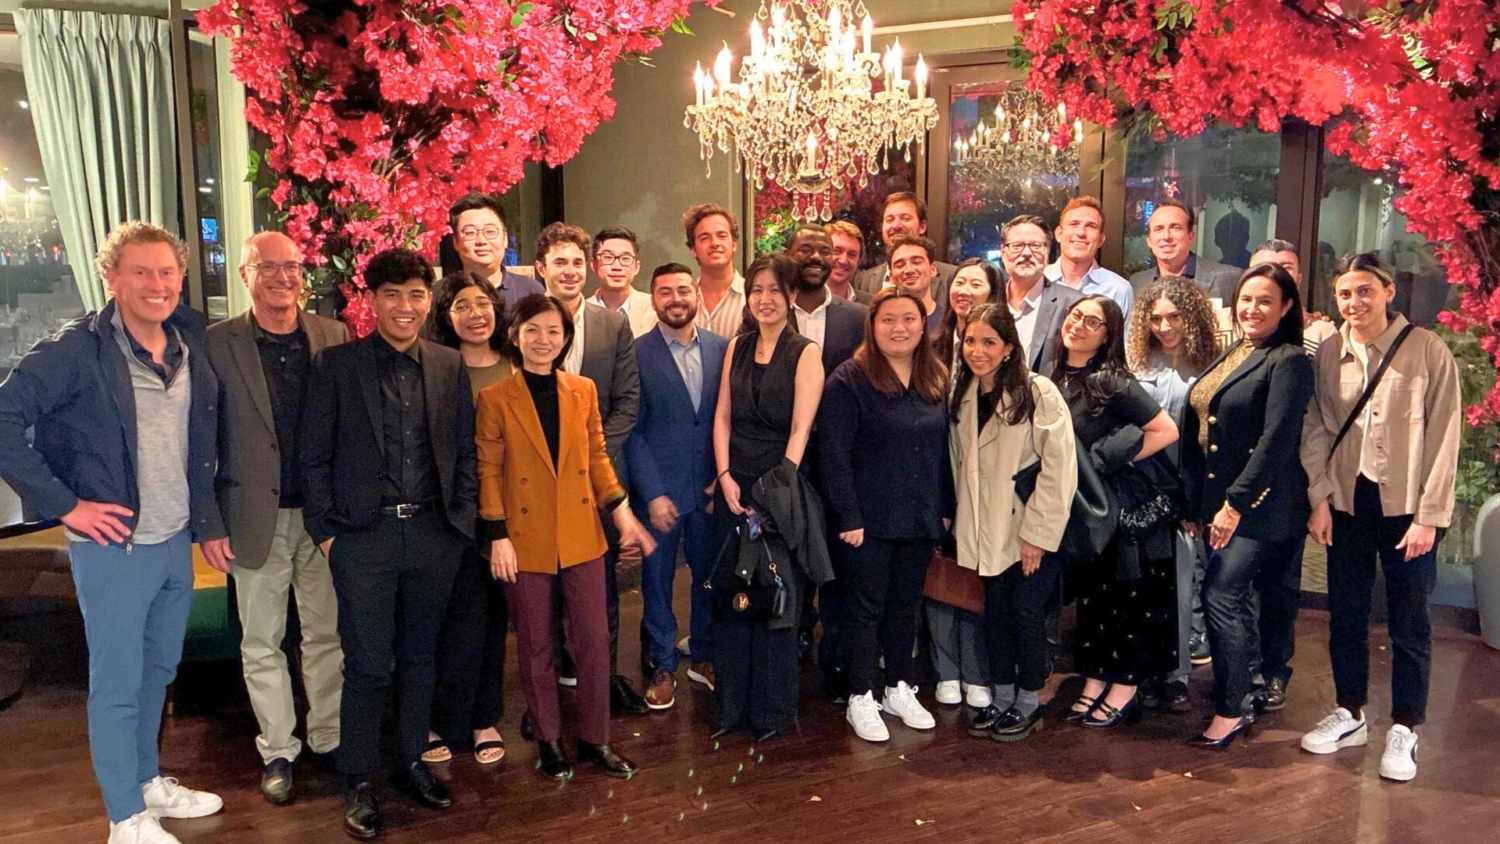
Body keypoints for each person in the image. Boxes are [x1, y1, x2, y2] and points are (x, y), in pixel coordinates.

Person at [0, 222, 226, 844]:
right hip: (113, 548)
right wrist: (65, 506)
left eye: (167, 272)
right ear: (111, 277)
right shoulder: (75, 350)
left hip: (173, 540)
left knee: (158, 670)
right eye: (140, 271)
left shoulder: (191, 338)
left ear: (181, 276)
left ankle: (147, 781)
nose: (157, 284)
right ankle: (124, 817)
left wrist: (206, 522)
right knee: (118, 684)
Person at [301, 248, 477, 839]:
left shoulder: (449, 364)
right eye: (393, 294)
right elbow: (313, 457)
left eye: (416, 295)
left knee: (421, 658)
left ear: (429, 302)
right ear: (371, 300)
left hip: (433, 535)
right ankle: (359, 779)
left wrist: (459, 526)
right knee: (368, 664)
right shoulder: (336, 365)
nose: (406, 306)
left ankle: (409, 761)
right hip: (362, 538)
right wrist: (327, 535)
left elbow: (466, 452)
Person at [476, 293, 657, 780]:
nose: (543, 340)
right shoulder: (494, 398)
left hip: (581, 534)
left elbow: (597, 457)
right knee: (536, 645)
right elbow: (488, 471)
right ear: (514, 336)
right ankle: (549, 740)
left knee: (594, 641)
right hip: (525, 537)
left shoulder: (583, 390)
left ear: (565, 338)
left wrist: (623, 515)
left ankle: (597, 738)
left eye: (553, 331)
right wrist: (497, 535)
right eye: (533, 330)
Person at [1299, 253, 1461, 781]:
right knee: (1345, 613)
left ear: (1389, 291)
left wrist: (1429, 516)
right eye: (1345, 293)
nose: (1355, 302)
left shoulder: (1427, 349)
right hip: (1347, 501)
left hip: (1408, 507)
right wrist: (1319, 497)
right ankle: (1350, 711)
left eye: (1365, 290)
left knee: (1409, 619)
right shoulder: (1329, 351)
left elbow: (1445, 436)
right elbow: (1317, 426)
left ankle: (1406, 725)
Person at [205, 231, 347, 806]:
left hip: (323, 516)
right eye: (267, 266)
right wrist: (209, 521)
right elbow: (201, 439)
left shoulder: (334, 334)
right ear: (245, 275)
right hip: (251, 515)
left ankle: (329, 737)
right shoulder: (217, 343)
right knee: (262, 639)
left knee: (326, 633)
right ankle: (278, 750)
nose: (282, 276)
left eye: (292, 265)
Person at [1180, 263, 1314, 749]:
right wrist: (1196, 505)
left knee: (1221, 595)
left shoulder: (1289, 360)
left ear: (1286, 307)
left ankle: (1232, 708)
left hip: (1262, 507)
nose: (1252, 308)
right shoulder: (1238, 350)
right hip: (1219, 504)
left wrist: (1234, 504)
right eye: (1246, 299)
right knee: (1230, 599)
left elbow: (1277, 440)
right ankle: (1245, 685)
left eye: (1265, 300)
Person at [818, 289, 952, 742]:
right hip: (866, 521)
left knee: (905, 608)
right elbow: (833, 455)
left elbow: (945, 453)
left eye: (908, 319)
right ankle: (861, 695)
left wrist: (944, 511)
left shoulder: (936, 377)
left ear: (923, 324)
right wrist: (848, 517)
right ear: (872, 326)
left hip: (920, 517)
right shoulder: (849, 378)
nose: (899, 328)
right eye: (888, 319)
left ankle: (899, 686)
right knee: (864, 610)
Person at [711, 253, 828, 741]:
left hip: (778, 489)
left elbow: (802, 428)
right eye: (757, 289)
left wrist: (773, 488)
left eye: (775, 290)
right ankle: (731, 708)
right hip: (733, 487)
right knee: (734, 599)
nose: (765, 299)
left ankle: (772, 711)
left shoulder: (806, 352)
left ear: (791, 295)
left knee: (776, 600)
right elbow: (722, 417)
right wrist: (724, 475)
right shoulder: (736, 347)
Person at [1050, 295, 1180, 730]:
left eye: (1093, 322)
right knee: (1094, 599)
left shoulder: (1112, 380)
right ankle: (1094, 679)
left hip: (1123, 508)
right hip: (1084, 509)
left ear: (1108, 335)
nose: (1079, 325)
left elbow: (1166, 429)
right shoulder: (1055, 375)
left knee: (1128, 601)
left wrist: (1111, 460)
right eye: (1075, 315)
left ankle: (1125, 686)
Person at [533, 222, 647, 715]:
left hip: (596, 481)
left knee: (602, 587)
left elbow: (627, 403)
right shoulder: (523, 321)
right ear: (541, 268)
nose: (570, 271)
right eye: (560, 262)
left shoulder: (612, 325)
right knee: (545, 592)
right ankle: (553, 689)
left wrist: (583, 459)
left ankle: (604, 678)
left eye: (578, 262)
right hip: (537, 484)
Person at [951, 303, 1078, 741]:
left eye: (989, 342)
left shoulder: (1037, 391)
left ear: (1008, 347)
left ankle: (1029, 700)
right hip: (985, 529)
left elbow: (1059, 468)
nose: (978, 351)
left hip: (1028, 530)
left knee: (1026, 615)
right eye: (971, 341)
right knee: (997, 615)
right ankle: (1002, 695)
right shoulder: (964, 392)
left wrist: (1037, 536)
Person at [420, 271, 513, 767]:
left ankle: (483, 717)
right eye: (462, 305)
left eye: (483, 303)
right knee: (442, 620)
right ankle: (434, 719)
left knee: (491, 620)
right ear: (445, 315)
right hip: (446, 513)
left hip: (506, 513)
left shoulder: (516, 364)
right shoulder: (436, 365)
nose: (476, 314)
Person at [627, 264, 729, 708]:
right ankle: (663, 663)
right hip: (659, 494)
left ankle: (703, 656)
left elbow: (727, 421)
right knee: (657, 582)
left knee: (708, 578)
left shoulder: (722, 349)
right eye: (664, 291)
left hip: (709, 491)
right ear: (652, 299)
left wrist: (720, 481)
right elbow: (631, 431)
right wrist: (651, 493)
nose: (675, 298)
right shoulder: (635, 353)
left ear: (696, 295)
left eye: (683, 289)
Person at [1124, 276, 1222, 712]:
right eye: (1156, 318)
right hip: (1140, 488)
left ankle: (1177, 675)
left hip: (1186, 492)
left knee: (1182, 586)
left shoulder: (1211, 366)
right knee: (1142, 586)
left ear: (1193, 317)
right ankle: (1144, 672)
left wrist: (1194, 503)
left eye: (1174, 317)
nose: (1164, 326)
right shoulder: (1137, 363)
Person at [1003, 214, 1084, 375]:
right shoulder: (988, 301)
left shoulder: (1073, 304)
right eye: (1017, 245)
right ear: (1003, 251)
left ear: (1047, 250)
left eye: (1036, 246)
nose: (1026, 253)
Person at [788, 224, 867, 372]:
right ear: (787, 255)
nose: (816, 257)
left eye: (825, 252)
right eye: (806, 250)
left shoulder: (860, 317)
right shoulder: (770, 312)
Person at [854, 191, 958, 305]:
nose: (896, 226)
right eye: (890, 220)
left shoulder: (952, 278)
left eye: (905, 218)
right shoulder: (863, 281)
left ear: (922, 226)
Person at [442, 192, 544, 308]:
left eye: (490, 231)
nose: (481, 241)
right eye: (470, 232)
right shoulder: (441, 293)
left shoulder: (531, 292)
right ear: (455, 242)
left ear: (505, 239)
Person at [1128, 198, 1241, 302]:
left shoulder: (1227, 278)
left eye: (1175, 228)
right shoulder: (1137, 283)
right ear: (1149, 241)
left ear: (1190, 236)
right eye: (1159, 229)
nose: (1166, 236)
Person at [1045, 195, 1134, 314]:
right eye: (1074, 224)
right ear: (1059, 234)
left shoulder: (1118, 289)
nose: (1081, 232)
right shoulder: (1037, 281)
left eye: (1091, 226)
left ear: (1101, 239)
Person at [1249, 238, 1337, 356]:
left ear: (1299, 280)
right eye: (1265, 267)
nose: (1275, 274)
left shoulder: (1322, 333)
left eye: (1286, 268)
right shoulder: (1224, 323)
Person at [686, 203, 747, 339]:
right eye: (705, 238)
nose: (714, 243)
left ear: (734, 244)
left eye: (722, 236)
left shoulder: (751, 297)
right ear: (693, 249)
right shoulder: (684, 300)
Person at [932, 258, 1001, 372]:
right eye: (959, 283)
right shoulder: (934, 345)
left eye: (975, 285)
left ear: (992, 293)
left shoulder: (1002, 345)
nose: (963, 291)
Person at [589, 225, 658, 337]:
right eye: (608, 257)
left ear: (636, 267)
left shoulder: (654, 309)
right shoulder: (580, 312)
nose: (617, 266)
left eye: (625, 258)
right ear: (594, 264)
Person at [887, 235, 947, 334]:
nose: (909, 270)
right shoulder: (881, 322)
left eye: (917, 262)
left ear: (933, 269)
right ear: (891, 277)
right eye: (900, 265)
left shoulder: (949, 321)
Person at [825, 219, 873, 304]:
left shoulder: (871, 305)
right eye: (836, 251)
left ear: (859, 260)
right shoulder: (803, 299)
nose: (843, 261)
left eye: (851, 254)